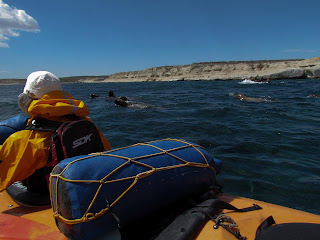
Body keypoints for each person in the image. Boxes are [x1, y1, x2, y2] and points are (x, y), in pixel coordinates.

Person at [0, 71, 111, 193]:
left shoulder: (26, 139)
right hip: (88, 188)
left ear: (26, 99)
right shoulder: (86, 122)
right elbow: (106, 150)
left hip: (48, 198)